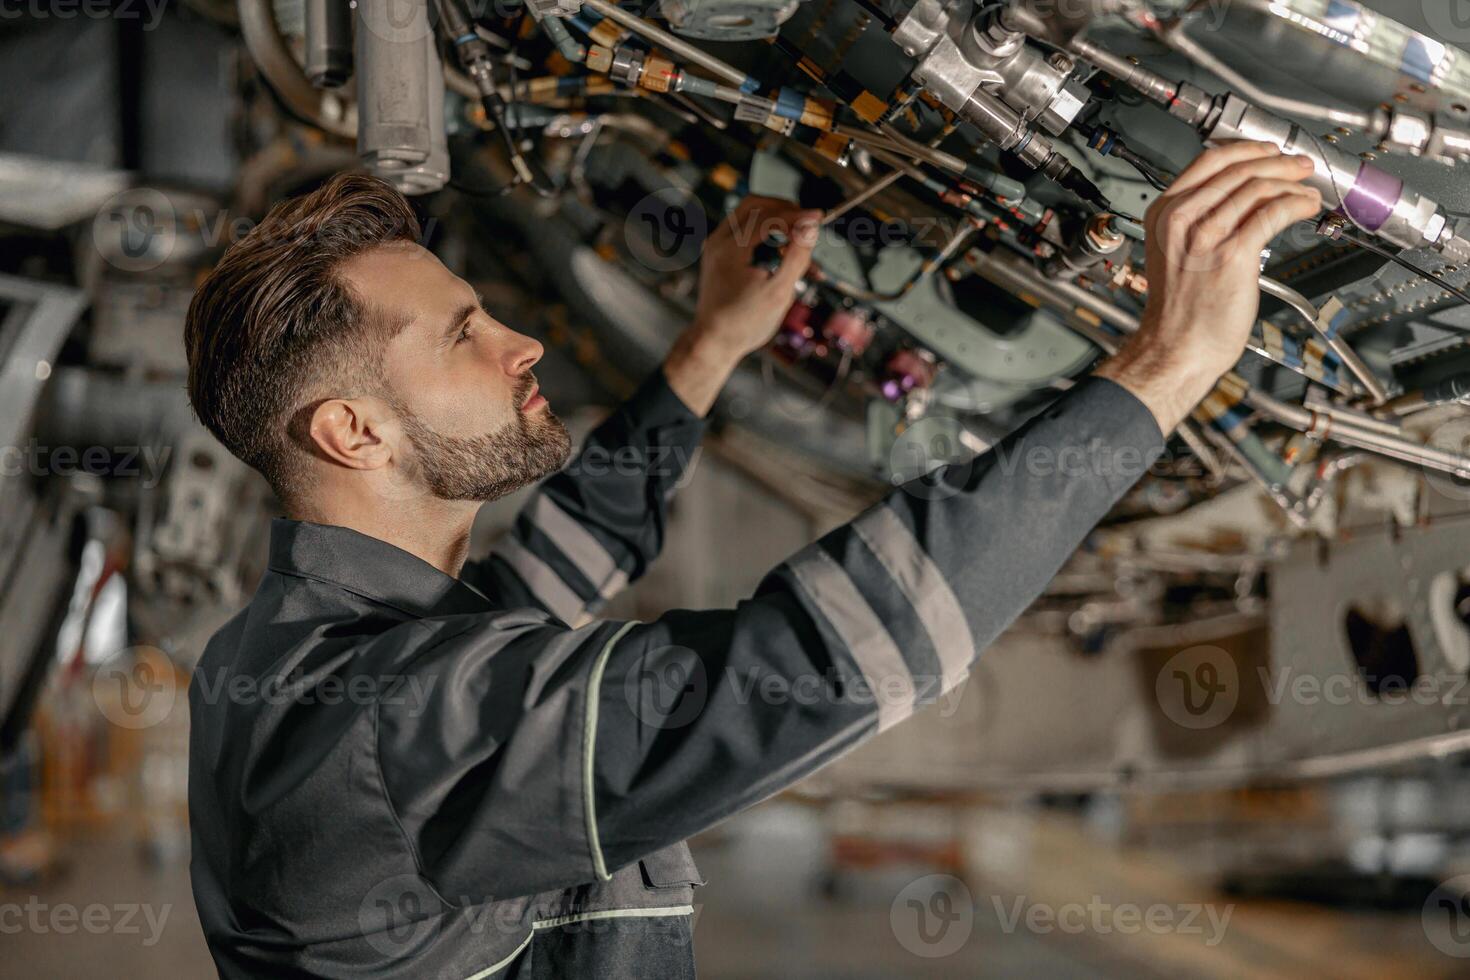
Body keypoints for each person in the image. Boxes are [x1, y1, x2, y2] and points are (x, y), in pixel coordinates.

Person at [183, 141, 1320, 978]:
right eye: (463, 333)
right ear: (354, 432)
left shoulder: (321, 647)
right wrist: (1166, 366)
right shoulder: (377, 724)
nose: (518, 340)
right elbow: (808, 665)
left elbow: (558, 565)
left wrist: (714, 341)